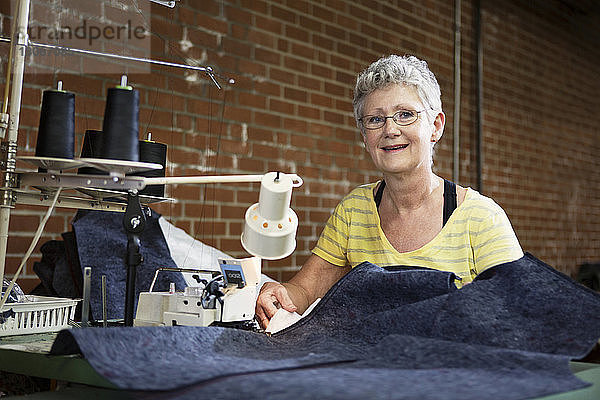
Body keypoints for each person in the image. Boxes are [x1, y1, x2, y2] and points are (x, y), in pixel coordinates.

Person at [255, 54, 523, 329]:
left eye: (405, 115)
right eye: (375, 119)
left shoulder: (481, 218)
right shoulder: (354, 211)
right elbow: (303, 292)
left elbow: (516, 319)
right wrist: (278, 295)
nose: (390, 129)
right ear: (365, 137)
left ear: (436, 126)